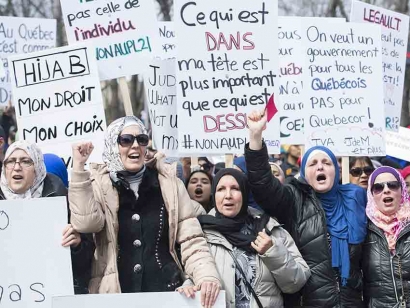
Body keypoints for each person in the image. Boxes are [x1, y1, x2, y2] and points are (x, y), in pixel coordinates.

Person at [68, 116, 221, 307]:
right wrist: (78, 168)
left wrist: (205, 277)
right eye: (126, 140)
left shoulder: (170, 185)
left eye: (141, 140)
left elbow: (192, 240)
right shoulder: (98, 185)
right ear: (112, 144)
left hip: (167, 295)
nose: (135, 146)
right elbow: (86, 223)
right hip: (116, 297)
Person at [244, 109, 368, 307]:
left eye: (326, 163)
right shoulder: (294, 199)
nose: (320, 167)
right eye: (313, 164)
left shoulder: (355, 198)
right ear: (304, 174)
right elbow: (263, 185)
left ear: (335, 171)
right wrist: (256, 136)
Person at [179, 169, 310, 307]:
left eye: (235, 189)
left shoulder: (269, 228)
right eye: (221, 189)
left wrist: (273, 252)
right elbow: (191, 273)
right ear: (214, 194)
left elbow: (296, 283)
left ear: (245, 193)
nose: (228, 195)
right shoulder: (201, 233)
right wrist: (189, 287)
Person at [0, 141, 93, 294]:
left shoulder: (62, 200)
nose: (17, 167)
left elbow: (86, 264)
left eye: (25, 161)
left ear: (37, 167)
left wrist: (77, 245)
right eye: (10, 161)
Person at [362, 166, 410, 307]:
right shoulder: (363, 229)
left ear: (402, 190)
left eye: (393, 185)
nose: (386, 190)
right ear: (371, 194)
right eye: (378, 187)